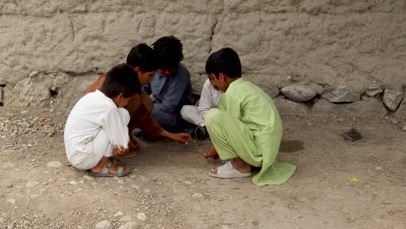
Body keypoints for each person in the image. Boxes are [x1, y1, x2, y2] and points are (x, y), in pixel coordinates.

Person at [204, 48, 296, 185]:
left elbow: (229, 126)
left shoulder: (233, 94)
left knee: (212, 116)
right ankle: (244, 160)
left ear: (221, 76)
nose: (212, 84)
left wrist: (215, 149)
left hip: (259, 153)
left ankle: (240, 166)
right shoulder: (247, 87)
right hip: (267, 151)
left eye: (212, 79)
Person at [83, 44, 191, 155]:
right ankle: (103, 160)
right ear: (138, 71)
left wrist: (172, 136)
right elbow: (104, 119)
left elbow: (145, 117)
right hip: (87, 141)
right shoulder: (113, 87)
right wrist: (122, 141)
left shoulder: (129, 86)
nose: (152, 79)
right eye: (150, 75)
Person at [64, 64, 141, 177]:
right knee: (122, 116)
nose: (128, 103)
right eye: (128, 99)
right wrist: (120, 144)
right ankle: (100, 167)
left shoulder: (93, 96)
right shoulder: (109, 108)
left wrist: (117, 141)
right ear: (120, 96)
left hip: (75, 153)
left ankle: (102, 160)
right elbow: (122, 143)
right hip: (83, 158)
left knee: (118, 118)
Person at [144, 36, 194, 134]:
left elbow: (168, 107)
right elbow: (143, 90)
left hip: (175, 114)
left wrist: (145, 109)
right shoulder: (153, 68)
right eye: (163, 69)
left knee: (150, 116)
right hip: (156, 107)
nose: (167, 72)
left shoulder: (182, 73)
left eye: (171, 69)